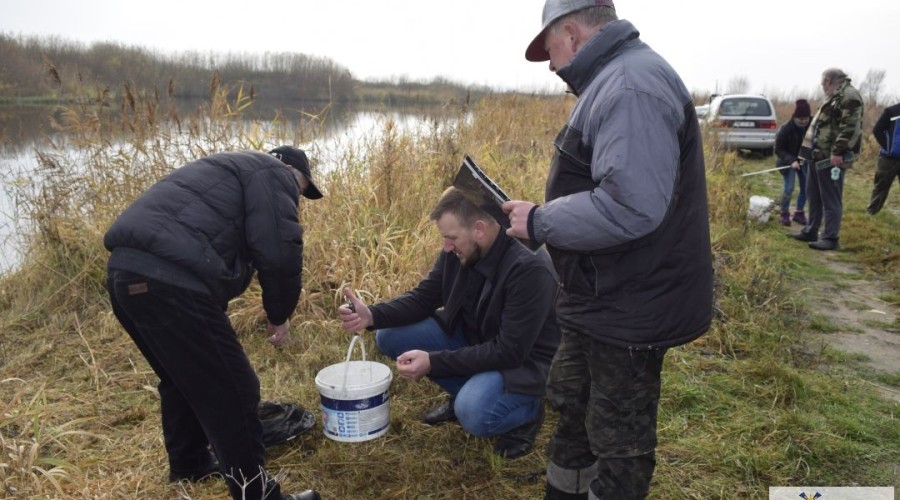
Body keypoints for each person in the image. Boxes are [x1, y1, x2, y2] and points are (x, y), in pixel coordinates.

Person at [505, 1, 714, 498]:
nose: (552, 65)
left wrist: (540, 220)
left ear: (572, 35)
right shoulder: (613, 79)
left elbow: (632, 205)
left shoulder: (630, 86)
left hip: (631, 303)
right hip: (597, 297)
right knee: (572, 405)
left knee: (619, 436)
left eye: (549, 49)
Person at [104, 146, 322, 500]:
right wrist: (279, 315)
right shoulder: (273, 174)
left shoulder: (228, 171)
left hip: (124, 275)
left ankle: (189, 462)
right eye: (301, 188)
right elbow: (280, 252)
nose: (298, 197)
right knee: (235, 389)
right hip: (169, 282)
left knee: (180, 376)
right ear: (292, 172)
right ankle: (258, 494)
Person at [338, 187, 561, 460]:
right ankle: (465, 389)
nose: (446, 246)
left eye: (451, 238)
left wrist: (435, 361)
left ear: (479, 229)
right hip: (475, 338)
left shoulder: (529, 268)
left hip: (520, 364)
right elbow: (424, 297)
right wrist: (372, 315)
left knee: (473, 412)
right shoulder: (461, 249)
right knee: (389, 336)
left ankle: (526, 412)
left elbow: (509, 351)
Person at [791, 68, 863, 251]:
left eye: (824, 84)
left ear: (830, 82)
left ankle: (831, 237)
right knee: (813, 195)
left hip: (832, 158)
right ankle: (811, 230)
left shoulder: (850, 96)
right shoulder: (834, 96)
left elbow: (850, 128)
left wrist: (838, 151)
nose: (823, 88)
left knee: (831, 198)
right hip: (817, 155)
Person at [775, 99, 812, 226]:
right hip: (788, 161)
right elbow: (778, 149)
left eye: (805, 119)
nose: (803, 121)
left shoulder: (812, 126)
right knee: (789, 188)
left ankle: (799, 212)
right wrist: (791, 161)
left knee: (806, 188)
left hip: (804, 160)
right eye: (800, 119)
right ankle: (784, 213)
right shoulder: (786, 129)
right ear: (795, 117)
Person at [867, 102, 900, 215]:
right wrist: (888, 146)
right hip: (888, 159)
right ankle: (871, 214)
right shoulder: (892, 111)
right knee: (880, 187)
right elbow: (877, 129)